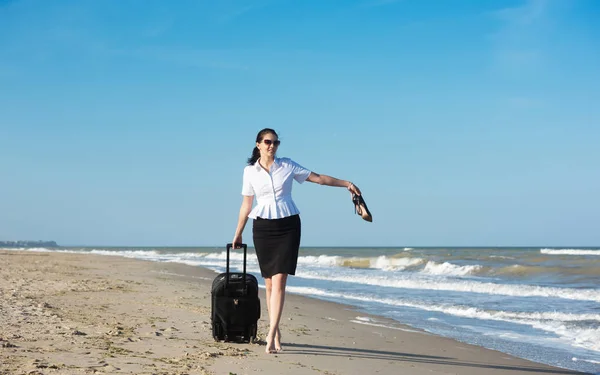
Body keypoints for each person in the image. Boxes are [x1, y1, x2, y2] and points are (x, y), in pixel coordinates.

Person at [231, 128, 364, 354]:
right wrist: (238, 232)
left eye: (276, 142)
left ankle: (271, 332)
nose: (272, 146)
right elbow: (246, 204)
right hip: (262, 226)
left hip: (288, 225)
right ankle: (277, 329)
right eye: (267, 142)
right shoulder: (249, 172)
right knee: (270, 283)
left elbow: (319, 179)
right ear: (258, 145)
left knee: (280, 279)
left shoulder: (288, 165)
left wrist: (346, 184)